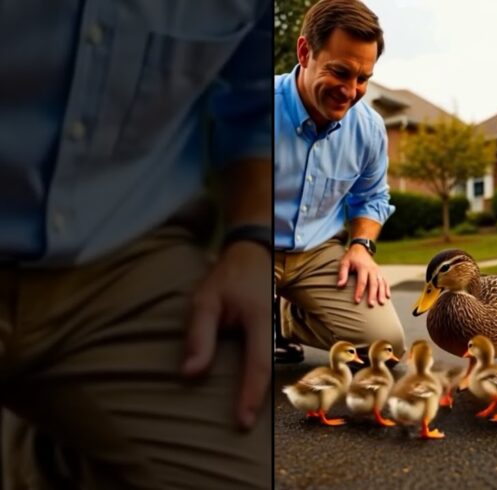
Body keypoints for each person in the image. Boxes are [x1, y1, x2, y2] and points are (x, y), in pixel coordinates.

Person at [0, 2, 272, 489]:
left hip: (125, 257)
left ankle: (57, 438)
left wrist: (252, 238)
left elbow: (256, 108)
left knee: (254, 458)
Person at [274, 0, 406, 363]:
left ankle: (286, 318)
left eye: (362, 79)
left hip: (316, 253)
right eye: (340, 72)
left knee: (386, 346)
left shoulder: (369, 128)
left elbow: (372, 197)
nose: (350, 91)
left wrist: (361, 245)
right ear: (305, 52)